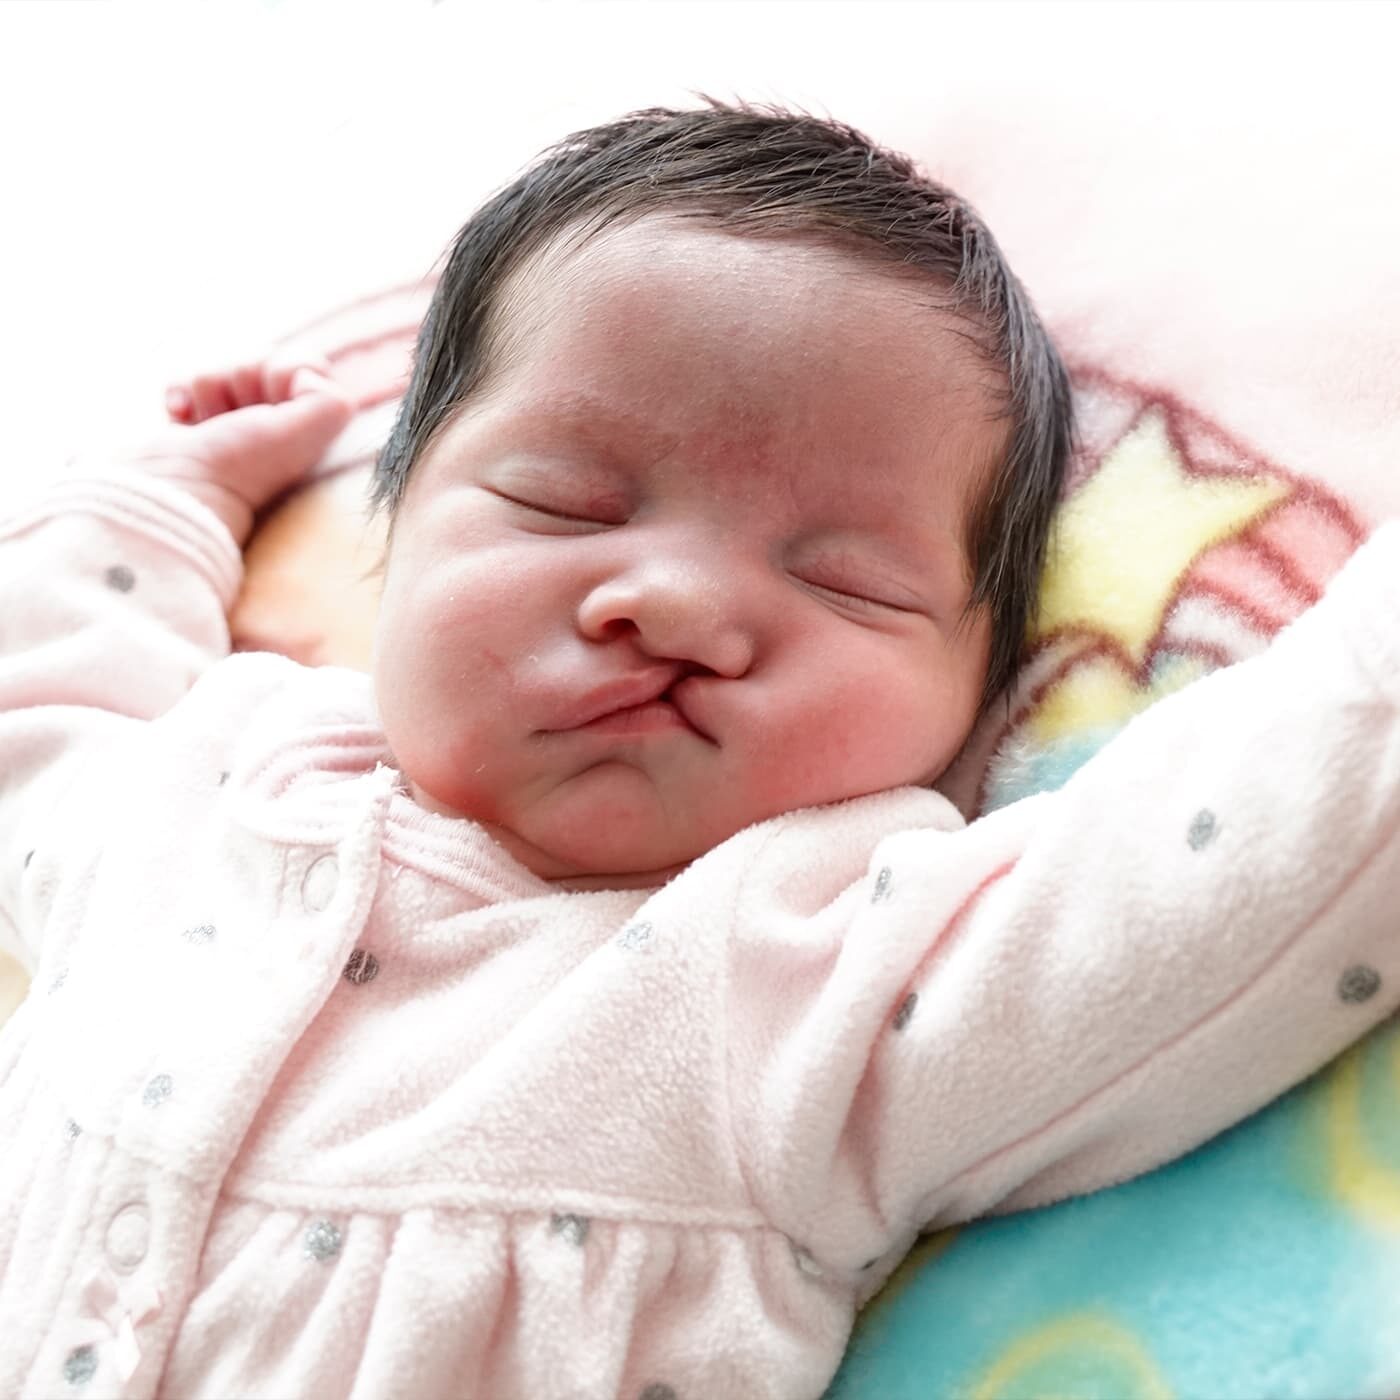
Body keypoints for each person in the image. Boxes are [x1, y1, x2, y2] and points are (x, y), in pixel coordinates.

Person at [0, 101, 1396, 1400]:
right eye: (565, 502)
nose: (675, 607)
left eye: (849, 582)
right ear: (398, 528)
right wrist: (153, 494)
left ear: (973, 698)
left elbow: (1218, 874)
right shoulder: (209, 784)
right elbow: (40, 703)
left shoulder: (807, 984)